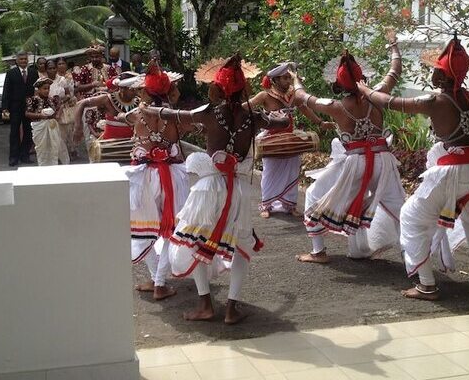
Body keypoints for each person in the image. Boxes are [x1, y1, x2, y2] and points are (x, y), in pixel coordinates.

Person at [140, 54, 289, 324]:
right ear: (245, 89)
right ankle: (231, 308)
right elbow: (280, 123)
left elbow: (175, 114)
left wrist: (151, 111)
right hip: (240, 191)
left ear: (217, 89)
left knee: (195, 239)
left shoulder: (208, 113)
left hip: (208, 189)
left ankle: (205, 304)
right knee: (240, 244)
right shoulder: (254, 117)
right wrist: (277, 116)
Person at [359, 34, 469, 300]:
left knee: (410, 217)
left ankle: (426, 284)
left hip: (457, 171)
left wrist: (364, 90)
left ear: (443, 77)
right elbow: (464, 92)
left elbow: (389, 102)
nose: (432, 73)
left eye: (436, 70)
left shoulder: (434, 101)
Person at [291, 36, 405, 264]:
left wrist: (295, 78)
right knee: (401, 212)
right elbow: (395, 71)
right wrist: (394, 47)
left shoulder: (336, 107)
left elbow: (302, 97)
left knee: (314, 194)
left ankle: (318, 252)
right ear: (362, 77)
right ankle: (413, 260)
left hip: (355, 164)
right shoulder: (377, 94)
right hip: (383, 159)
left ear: (339, 84)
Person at [120, 60, 189, 301]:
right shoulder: (174, 116)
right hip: (170, 177)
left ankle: (157, 280)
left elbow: (122, 117)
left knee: (144, 229)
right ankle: (157, 281)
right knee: (169, 229)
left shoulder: (136, 114)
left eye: (141, 89)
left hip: (144, 179)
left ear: (146, 91)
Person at [246, 62, 334, 218]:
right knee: (270, 172)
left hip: (291, 138)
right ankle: (267, 205)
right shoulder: (265, 95)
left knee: (292, 172)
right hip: (272, 139)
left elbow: (305, 109)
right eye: (285, 78)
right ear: (275, 80)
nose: (288, 81)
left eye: (289, 77)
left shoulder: (293, 95)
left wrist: (321, 123)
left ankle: (289, 205)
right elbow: (247, 107)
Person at [72, 73, 139, 148]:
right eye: (132, 89)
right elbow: (80, 104)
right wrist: (78, 126)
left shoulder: (139, 101)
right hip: (111, 146)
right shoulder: (107, 99)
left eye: (137, 89)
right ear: (121, 88)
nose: (136, 92)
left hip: (132, 145)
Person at [73, 44, 118, 141]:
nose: (94, 59)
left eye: (97, 56)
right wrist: (92, 85)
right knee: (89, 133)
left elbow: (117, 84)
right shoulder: (85, 69)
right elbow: (77, 87)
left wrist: (109, 89)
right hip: (89, 105)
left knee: (107, 131)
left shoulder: (110, 69)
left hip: (108, 105)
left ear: (101, 56)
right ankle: (92, 155)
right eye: (92, 57)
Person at [1, 51, 38, 166]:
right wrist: (5, 108)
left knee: (28, 132)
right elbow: (6, 91)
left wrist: (36, 107)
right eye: (21, 59)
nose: (23, 61)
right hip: (14, 107)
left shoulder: (33, 72)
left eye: (25, 59)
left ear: (28, 60)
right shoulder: (11, 73)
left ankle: (25, 155)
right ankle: (13, 158)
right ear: (17, 61)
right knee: (14, 133)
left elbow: (37, 90)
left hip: (29, 108)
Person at [25, 77, 69, 166]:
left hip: (52, 126)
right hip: (40, 126)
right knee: (42, 148)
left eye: (48, 88)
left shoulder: (52, 100)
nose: (47, 91)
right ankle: (43, 167)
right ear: (39, 89)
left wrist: (58, 112)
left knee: (55, 146)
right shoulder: (33, 100)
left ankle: (55, 166)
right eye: (44, 88)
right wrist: (40, 116)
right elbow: (27, 113)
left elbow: (58, 110)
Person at [54, 57, 78, 158]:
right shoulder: (54, 78)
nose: (61, 66)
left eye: (63, 63)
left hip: (72, 104)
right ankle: (63, 153)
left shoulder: (71, 76)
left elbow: (76, 89)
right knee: (61, 130)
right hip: (60, 106)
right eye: (59, 64)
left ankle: (73, 149)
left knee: (72, 128)